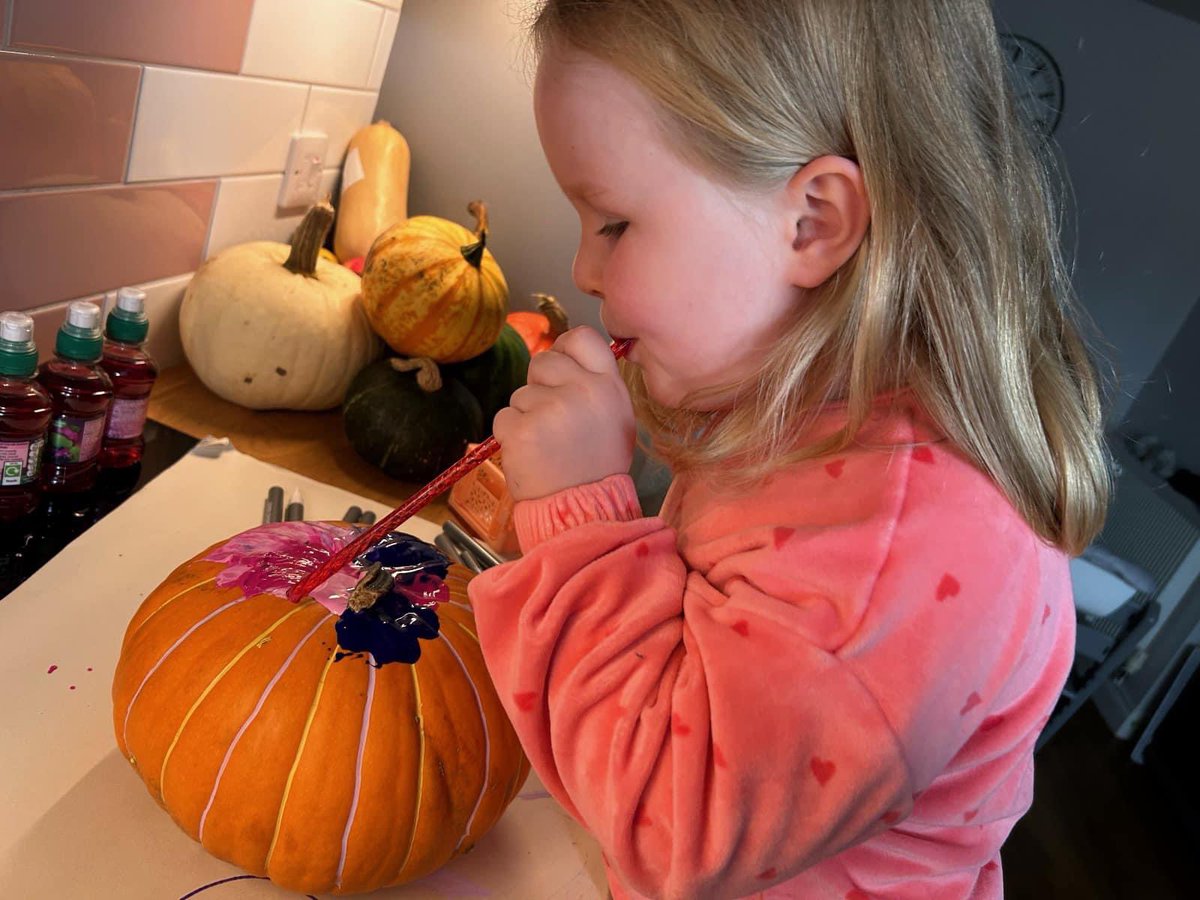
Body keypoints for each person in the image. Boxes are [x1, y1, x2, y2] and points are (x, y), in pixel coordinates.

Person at [468, 1, 1111, 897]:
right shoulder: (821, 435)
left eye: (612, 222)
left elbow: (675, 830)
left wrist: (578, 529)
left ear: (813, 221)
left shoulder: (902, 544)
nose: (583, 268)